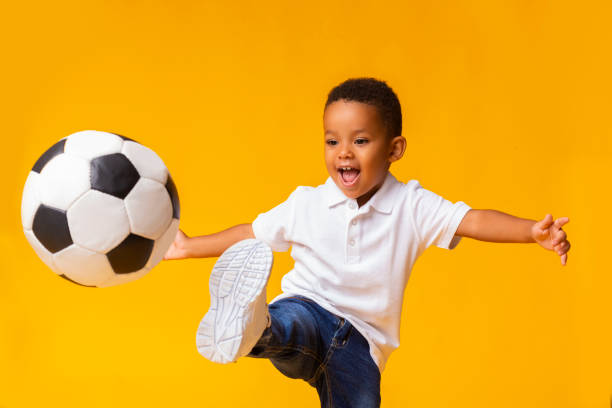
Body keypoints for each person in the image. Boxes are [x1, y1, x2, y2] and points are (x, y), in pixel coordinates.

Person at [163, 77, 571, 408]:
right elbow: (251, 233)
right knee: (290, 329)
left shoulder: (413, 205)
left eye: (360, 141)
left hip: (362, 345)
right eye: (332, 141)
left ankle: (257, 329)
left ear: (394, 149)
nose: (344, 153)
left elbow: (472, 220)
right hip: (308, 307)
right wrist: (188, 246)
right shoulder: (306, 203)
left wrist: (530, 231)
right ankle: (255, 326)